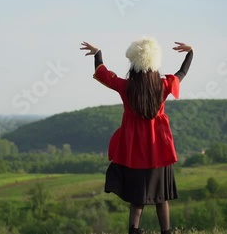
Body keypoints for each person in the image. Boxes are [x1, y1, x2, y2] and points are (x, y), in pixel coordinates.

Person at [80, 38, 193, 234]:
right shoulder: (163, 85)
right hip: (159, 151)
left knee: (137, 200)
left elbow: (104, 74)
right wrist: (190, 53)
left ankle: (134, 231)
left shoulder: (127, 87)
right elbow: (181, 73)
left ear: (134, 65)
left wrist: (98, 53)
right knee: (161, 198)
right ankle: (166, 231)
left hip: (134, 153)